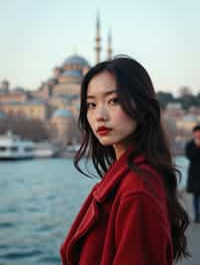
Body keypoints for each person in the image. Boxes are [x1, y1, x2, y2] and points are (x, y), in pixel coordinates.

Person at [60, 56, 190, 264]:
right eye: (91, 105)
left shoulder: (137, 190)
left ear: (141, 106)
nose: (99, 116)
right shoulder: (129, 178)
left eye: (114, 100)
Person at [185, 124, 200, 223]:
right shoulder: (190, 144)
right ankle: (197, 216)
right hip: (195, 174)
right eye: (196, 132)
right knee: (196, 196)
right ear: (194, 133)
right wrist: (198, 147)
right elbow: (189, 156)